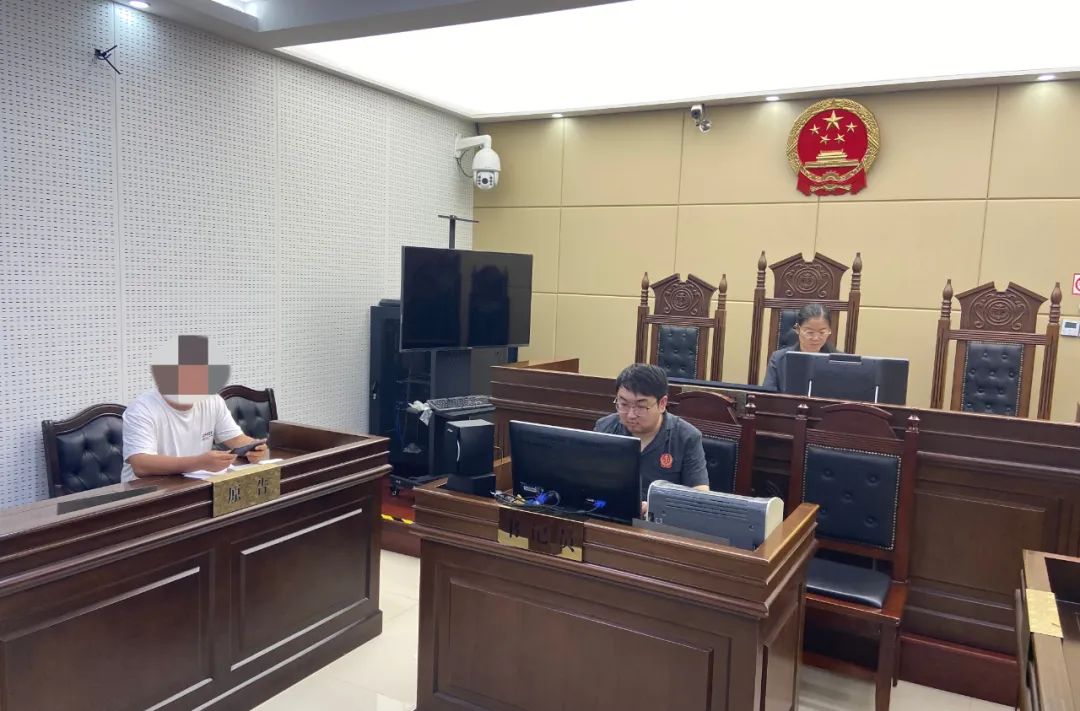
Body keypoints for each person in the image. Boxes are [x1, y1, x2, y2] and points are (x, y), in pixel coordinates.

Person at [594, 363, 709, 516]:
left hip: (662, 522)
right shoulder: (605, 427)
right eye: (623, 404)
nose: (631, 415)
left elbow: (700, 495)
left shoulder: (687, 437)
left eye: (641, 407)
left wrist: (658, 505)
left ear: (662, 404)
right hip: (611, 516)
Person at [121, 387, 268, 481]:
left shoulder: (212, 400)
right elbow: (141, 465)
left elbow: (236, 439)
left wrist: (253, 447)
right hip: (147, 494)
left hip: (194, 484)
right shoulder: (142, 409)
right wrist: (199, 463)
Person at [762, 303, 838, 392]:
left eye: (822, 332)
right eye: (810, 332)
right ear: (798, 329)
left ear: (829, 330)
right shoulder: (778, 359)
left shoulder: (840, 361)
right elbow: (768, 396)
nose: (815, 338)